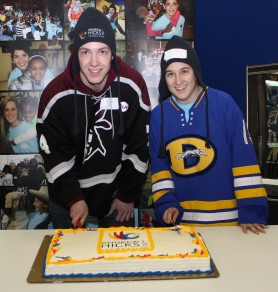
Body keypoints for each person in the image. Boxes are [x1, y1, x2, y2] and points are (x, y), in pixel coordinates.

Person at [36, 8, 151, 229]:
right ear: (76, 53)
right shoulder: (55, 94)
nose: (95, 62)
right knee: (70, 261)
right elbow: (54, 154)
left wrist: (127, 195)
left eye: (103, 51)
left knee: (117, 264)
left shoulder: (132, 85)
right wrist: (74, 198)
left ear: (113, 53)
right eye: (86, 52)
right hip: (67, 201)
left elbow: (139, 146)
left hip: (117, 199)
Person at [149, 36, 268, 235]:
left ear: (195, 71)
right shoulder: (158, 116)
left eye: (184, 71)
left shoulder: (224, 104)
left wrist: (251, 211)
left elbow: (244, 160)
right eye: (170, 74)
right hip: (183, 227)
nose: (178, 81)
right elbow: (160, 171)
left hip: (231, 224)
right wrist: (166, 204)